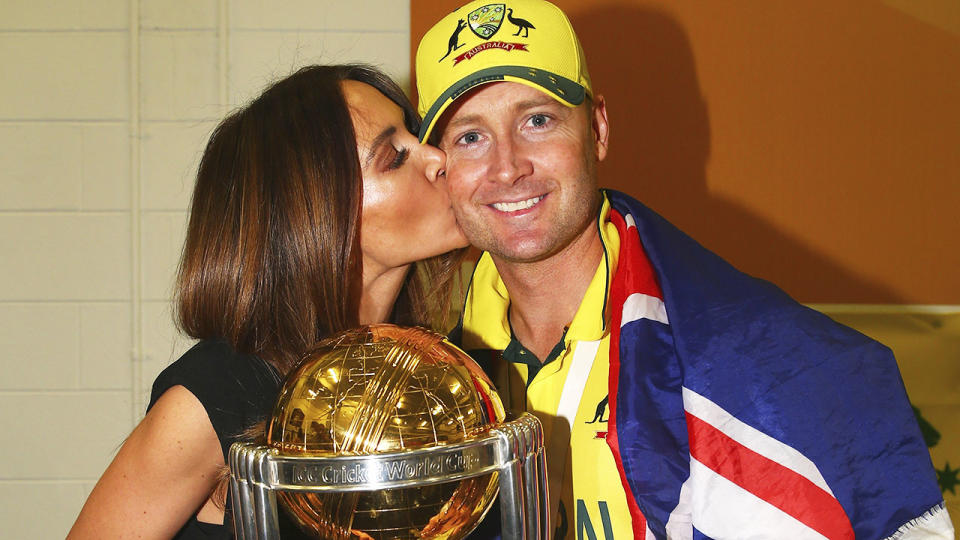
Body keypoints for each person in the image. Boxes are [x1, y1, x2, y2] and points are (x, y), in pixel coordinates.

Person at [415, 1, 953, 538]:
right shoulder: (423, 381)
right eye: (470, 137)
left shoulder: (758, 362)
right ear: (439, 167)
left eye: (538, 120)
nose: (508, 167)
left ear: (598, 128)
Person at [67, 64, 468, 539]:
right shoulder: (217, 395)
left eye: (417, 135)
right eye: (394, 157)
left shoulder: (440, 369)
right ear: (318, 211)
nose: (439, 157)